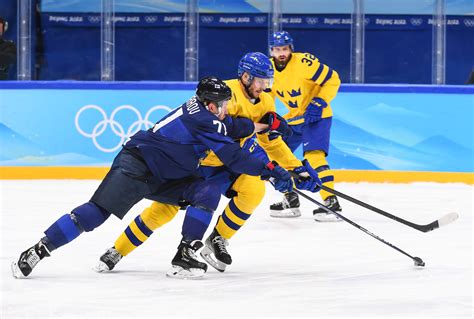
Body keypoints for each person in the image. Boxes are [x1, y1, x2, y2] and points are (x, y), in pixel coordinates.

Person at [11, 77, 295, 279]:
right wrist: (271, 171)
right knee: (95, 214)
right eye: (223, 104)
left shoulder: (204, 112)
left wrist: (263, 124)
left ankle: (185, 253)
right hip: (138, 164)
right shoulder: (204, 120)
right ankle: (40, 249)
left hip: (169, 175)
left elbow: (232, 125)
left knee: (206, 190)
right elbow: (234, 156)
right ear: (211, 105)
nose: (226, 109)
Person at [94, 52, 322, 276]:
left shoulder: (266, 100)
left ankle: (217, 239)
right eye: (261, 81)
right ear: (246, 77)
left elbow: (270, 142)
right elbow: (229, 129)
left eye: (268, 81)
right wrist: (265, 161)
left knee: (253, 190)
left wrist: (296, 169)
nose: (264, 86)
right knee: (162, 211)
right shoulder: (225, 94)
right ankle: (118, 250)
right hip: (199, 164)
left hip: (230, 164)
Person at [267, 30, 343, 221]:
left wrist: (320, 101)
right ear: (271, 51)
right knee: (276, 154)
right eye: (277, 49)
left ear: (290, 49)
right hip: (294, 119)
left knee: (313, 156)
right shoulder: (268, 68)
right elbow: (266, 97)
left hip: (317, 116)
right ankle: (290, 198)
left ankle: (331, 201)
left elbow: (333, 79)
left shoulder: (303, 63)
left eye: (284, 48)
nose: (281, 53)